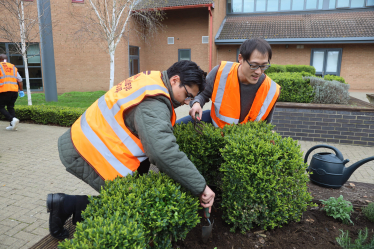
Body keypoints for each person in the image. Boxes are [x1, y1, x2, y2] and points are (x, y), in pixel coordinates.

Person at [47, 60, 216, 239]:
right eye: (187, 95)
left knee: (130, 198)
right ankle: (64, 205)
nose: (186, 102)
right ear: (174, 80)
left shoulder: (154, 80)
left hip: (90, 142)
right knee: (130, 206)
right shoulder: (154, 102)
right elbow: (162, 151)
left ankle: (64, 205)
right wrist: (200, 186)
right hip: (88, 150)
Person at [176, 38, 281, 128]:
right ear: (240, 58)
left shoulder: (271, 89)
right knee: (176, 126)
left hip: (244, 142)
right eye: (253, 65)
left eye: (264, 66)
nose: (258, 71)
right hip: (216, 126)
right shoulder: (220, 72)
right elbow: (202, 94)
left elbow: (266, 125)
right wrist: (197, 103)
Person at [0, 54, 24, 131]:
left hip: (4, 91)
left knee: (0, 107)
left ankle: (12, 119)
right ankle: (12, 125)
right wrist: (21, 90)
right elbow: (20, 80)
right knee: (10, 106)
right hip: (14, 91)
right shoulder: (12, 67)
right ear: (6, 59)